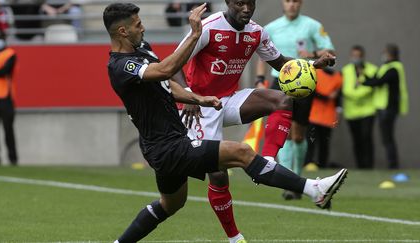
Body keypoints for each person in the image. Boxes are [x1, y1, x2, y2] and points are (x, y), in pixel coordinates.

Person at [103, 2, 347, 243]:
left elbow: (166, 86)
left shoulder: (141, 49)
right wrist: (196, 34)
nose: (143, 28)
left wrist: (196, 98)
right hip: (166, 147)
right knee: (240, 153)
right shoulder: (121, 66)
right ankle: (313, 190)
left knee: (171, 204)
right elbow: (166, 71)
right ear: (122, 31)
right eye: (138, 25)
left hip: (177, 136)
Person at [176, 0, 337, 241]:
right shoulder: (208, 27)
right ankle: (235, 238)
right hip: (199, 105)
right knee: (217, 174)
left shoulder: (256, 32)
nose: (246, 9)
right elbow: (173, 63)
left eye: (250, 3)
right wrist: (189, 95)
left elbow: (282, 64)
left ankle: (268, 161)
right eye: (240, 3)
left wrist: (314, 65)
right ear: (229, 3)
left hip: (229, 100)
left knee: (283, 100)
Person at [255, 0, 335, 200]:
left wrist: (312, 54)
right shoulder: (271, 27)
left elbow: (329, 51)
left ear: (300, 4)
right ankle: (289, 183)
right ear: (283, 3)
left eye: (296, 1)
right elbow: (262, 57)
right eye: (288, 1)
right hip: (278, 83)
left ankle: (297, 179)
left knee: (298, 134)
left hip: (304, 84)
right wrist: (259, 80)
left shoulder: (312, 26)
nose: (292, 5)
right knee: (283, 131)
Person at [361, 44, 408, 169]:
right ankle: (392, 164)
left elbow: (379, 82)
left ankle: (393, 165)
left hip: (388, 108)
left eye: (384, 52)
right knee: (387, 138)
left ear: (389, 54)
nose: (383, 55)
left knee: (388, 138)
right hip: (383, 108)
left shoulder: (393, 68)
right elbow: (376, 79)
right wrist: (365, 78)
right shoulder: (387, 67)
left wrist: (364, 82)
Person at [341, 45, 377, 169]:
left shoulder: (372, 69)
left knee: (367, 137)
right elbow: (346, 90)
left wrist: (356, 93)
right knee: (357, 140)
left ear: (363, 56)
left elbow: (372, 87)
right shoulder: (346, 70)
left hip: (368, 111)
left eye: (358, 56)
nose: (356, 58)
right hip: (351, 112)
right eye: (354, 55)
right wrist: (360, 93)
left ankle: (369, 166)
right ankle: (360, 166)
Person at [0, 32, 18, 165]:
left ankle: (12, 158)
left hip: (5, 96)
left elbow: (5, 71)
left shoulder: (10, 54)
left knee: (8, 128)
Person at [306, 68, 342, 168]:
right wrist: (327, 97)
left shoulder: (338, 77)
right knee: (310, 142)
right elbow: (311, 92)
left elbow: (338, 98)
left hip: (328, 118)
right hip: (313, 115)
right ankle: (307, 163)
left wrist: (338, 112)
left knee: (324, 144)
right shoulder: (315, 73)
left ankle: (323, 165)